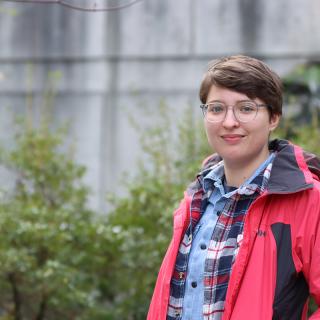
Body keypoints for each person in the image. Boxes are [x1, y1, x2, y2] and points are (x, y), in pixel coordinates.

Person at [147, 55, 320, 320]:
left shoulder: (307, 200)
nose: (229, 122)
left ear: (273, 118)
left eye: (246, 108)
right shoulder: (196, 198)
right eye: (216, 109)